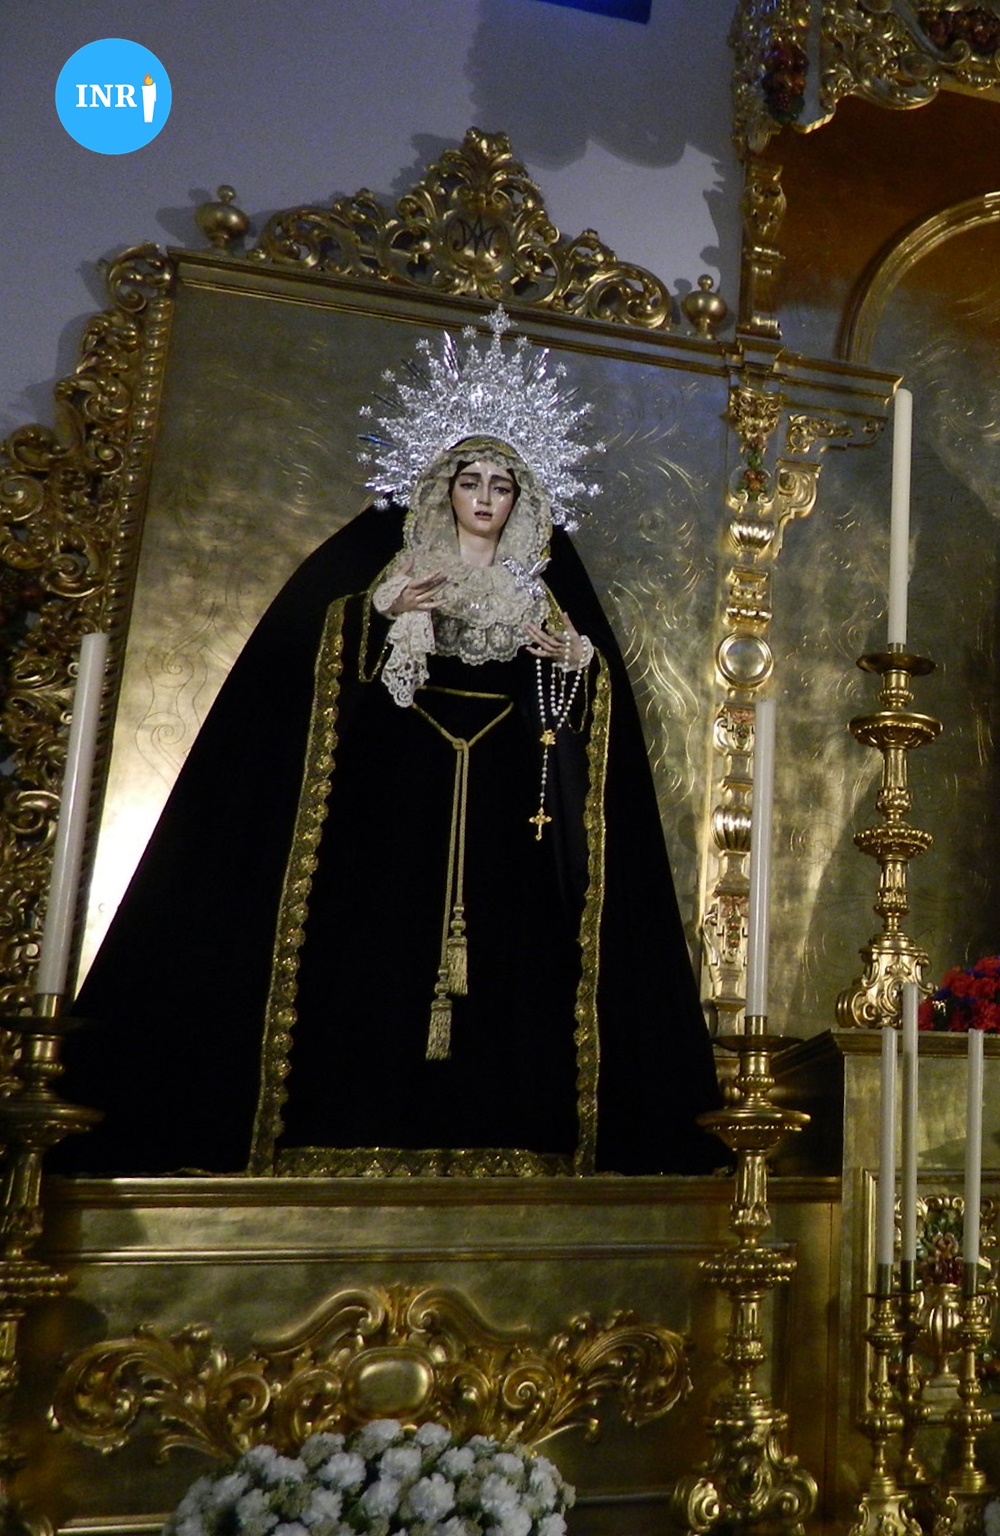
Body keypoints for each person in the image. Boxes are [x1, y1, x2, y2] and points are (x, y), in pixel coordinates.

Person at [60, 310, 724, 1177]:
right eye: (470, 481)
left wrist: (576, 666)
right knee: (366, 959)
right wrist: (378, 619)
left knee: (515, 964)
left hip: (509, 823)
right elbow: (306, 686)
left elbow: (583, 740)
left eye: (502, 486)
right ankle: (337, 1133)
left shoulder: (545, 598)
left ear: (522, 500)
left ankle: (510, 1139)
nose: (484, 499)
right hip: (391, 810)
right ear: (442, 489)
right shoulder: (385, 575)